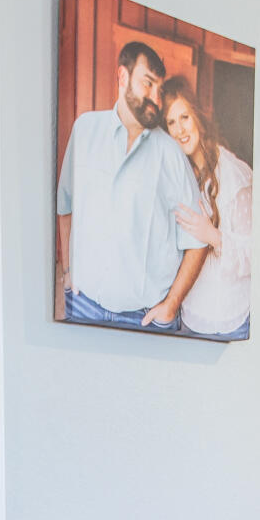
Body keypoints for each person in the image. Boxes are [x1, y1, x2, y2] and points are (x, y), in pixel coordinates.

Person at [55, 41, 209, 330]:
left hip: (146, 319)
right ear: (123, 77)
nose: (155, 98)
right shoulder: (85, 130)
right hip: (83, 303)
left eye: (159, 91)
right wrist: (67, 270)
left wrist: (171, 305)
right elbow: (65, 205)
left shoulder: (171, 153)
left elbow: (198, 242)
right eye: (147, 84)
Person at [160, 77, 253, 340]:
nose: (179, 130)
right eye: (171, 123)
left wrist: (212, 235)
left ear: (198, 117)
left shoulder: (235, 175)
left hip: (230, 322)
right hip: (189, 318)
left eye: (185, 117)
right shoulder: (178, 174)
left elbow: (255, 253)